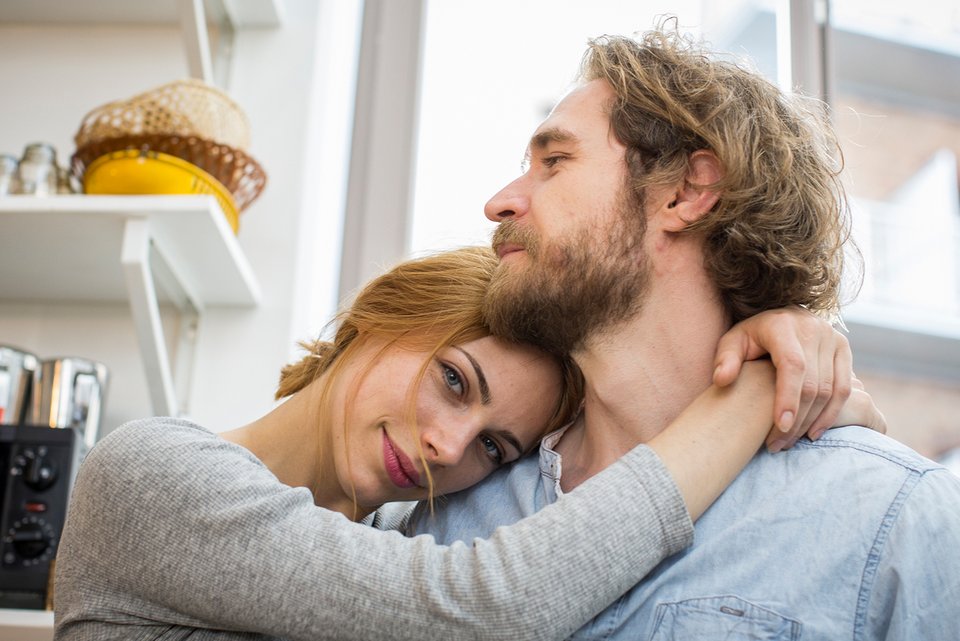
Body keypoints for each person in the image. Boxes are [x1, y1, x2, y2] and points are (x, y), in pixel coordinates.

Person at [406, 23, 960, 640]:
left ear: (688, 191)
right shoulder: (445, 515)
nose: (500, 202)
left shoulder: (894, 518)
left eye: (554, 162)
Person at [54, 246, 874, 641]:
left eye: (495, 449)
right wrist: (756, 392)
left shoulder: (395, 542)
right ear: (382, 312)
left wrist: (840, 410)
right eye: (453, 379)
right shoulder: (151, 471)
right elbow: (491, 604)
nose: (448, 446)